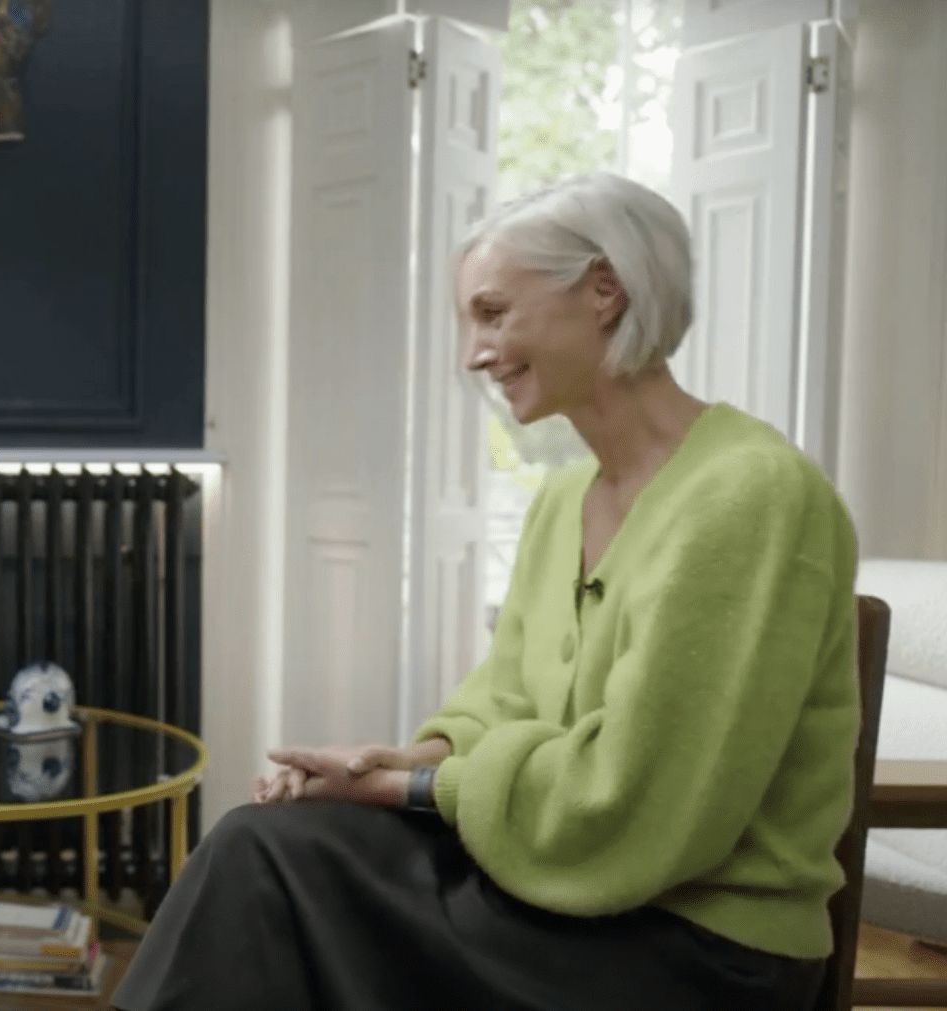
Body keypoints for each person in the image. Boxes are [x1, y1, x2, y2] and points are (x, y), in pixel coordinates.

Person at [112, 173, 858, 1011]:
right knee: (264, 842)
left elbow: (636, 805)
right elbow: (504, 699)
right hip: (556, 891)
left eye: (493, 313)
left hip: (695, 949)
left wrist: (407, 790)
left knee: (274, 877)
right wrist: (404, 758)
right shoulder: (564, 500)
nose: (474, 352)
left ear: (604, 290)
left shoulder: (750, 495)